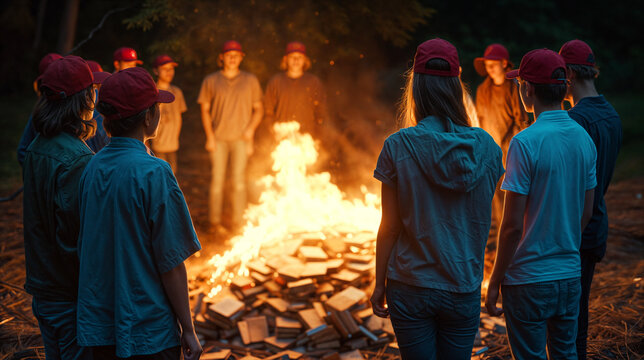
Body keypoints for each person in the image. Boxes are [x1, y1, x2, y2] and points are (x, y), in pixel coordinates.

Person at [370, 38, 504, 360]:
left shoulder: (398, 145)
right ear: (457, 86)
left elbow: (389, 226)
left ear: (416, 87)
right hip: (463, 285)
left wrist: (379, 284)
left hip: (410, 285)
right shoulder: (488, 148)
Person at [77, 67, 202, 360]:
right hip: (149, 330)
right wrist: (188, 328)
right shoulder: (155, 172)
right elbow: (171, 262)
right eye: (157, 107)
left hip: (101, 327)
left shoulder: (91, 167)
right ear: (148, 117)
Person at [485, 49, 597, 360]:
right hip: (569, 274)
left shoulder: (524, 142)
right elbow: (586, 211)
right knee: (565, 353)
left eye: (519, 83)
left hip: (527, 280)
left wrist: (494, 282)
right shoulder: (583, 138)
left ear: (528, 89)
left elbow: (510, 227)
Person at [22, 55, 109, 360]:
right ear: (83, 99)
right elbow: (74, 241)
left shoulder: (37, 147)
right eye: (92, 91)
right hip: (68, 296)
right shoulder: (76, 160)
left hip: (43, 289)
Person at [559, 39, 623, 359]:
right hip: (597, 224)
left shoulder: (576, 121)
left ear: (568, 73)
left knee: (567, 321)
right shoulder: (612, 114)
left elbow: (568, 188)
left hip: (575, 231)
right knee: (579, 315)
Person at [197, 40, 263, 232]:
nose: (232, 58)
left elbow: (258, 109)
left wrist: (250, 131)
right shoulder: (211, 80)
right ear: (222, 57)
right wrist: (209, 137)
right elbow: (205, 110)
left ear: (241, 58)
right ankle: (214, 223)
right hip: (219, 139)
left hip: (241, 139)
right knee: (217, 181)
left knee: (239, 182)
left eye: (236, 55)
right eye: (229, 55)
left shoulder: (250, 80)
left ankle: (238, 223)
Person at [474, 43, 529, 244]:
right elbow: (479, 121)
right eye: (487, 64)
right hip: (490, 153)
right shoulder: (483, 90)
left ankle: (518, 238)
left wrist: (511, 148)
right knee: (496, 197)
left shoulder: (514, 87)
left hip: (511, 152)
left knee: (513, 196)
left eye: (493, 64)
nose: (489, 68)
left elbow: (521, 121)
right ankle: (501, 240)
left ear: (504, 63)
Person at [17, 56, 110, 165]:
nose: (96, 94)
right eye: (93, 89)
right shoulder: (80, 159)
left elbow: (22, 152)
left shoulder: (35, 146)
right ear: (85, 99)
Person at [149, 54, 187, 172]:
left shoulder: (177, 92)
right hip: (157, 146)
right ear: (156, 71)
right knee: (160, 178)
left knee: (172, 177)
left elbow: (179, 117)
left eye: (171, 69)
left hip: (173, 145)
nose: (169, 72)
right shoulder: (152, 91)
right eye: (165, 69)